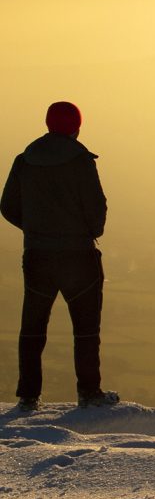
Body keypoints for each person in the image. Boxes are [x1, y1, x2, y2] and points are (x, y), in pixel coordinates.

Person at [1, 102, 119, 410]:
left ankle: (28, 395)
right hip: (78, 256)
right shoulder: (81, 161)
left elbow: (7, 206)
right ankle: (89, 393)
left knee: (33, 327)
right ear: (76, 127)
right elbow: (96, 209)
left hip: (38, 255)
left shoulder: (25, 160)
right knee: (86, 329)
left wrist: (36, 230)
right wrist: (85, 232)